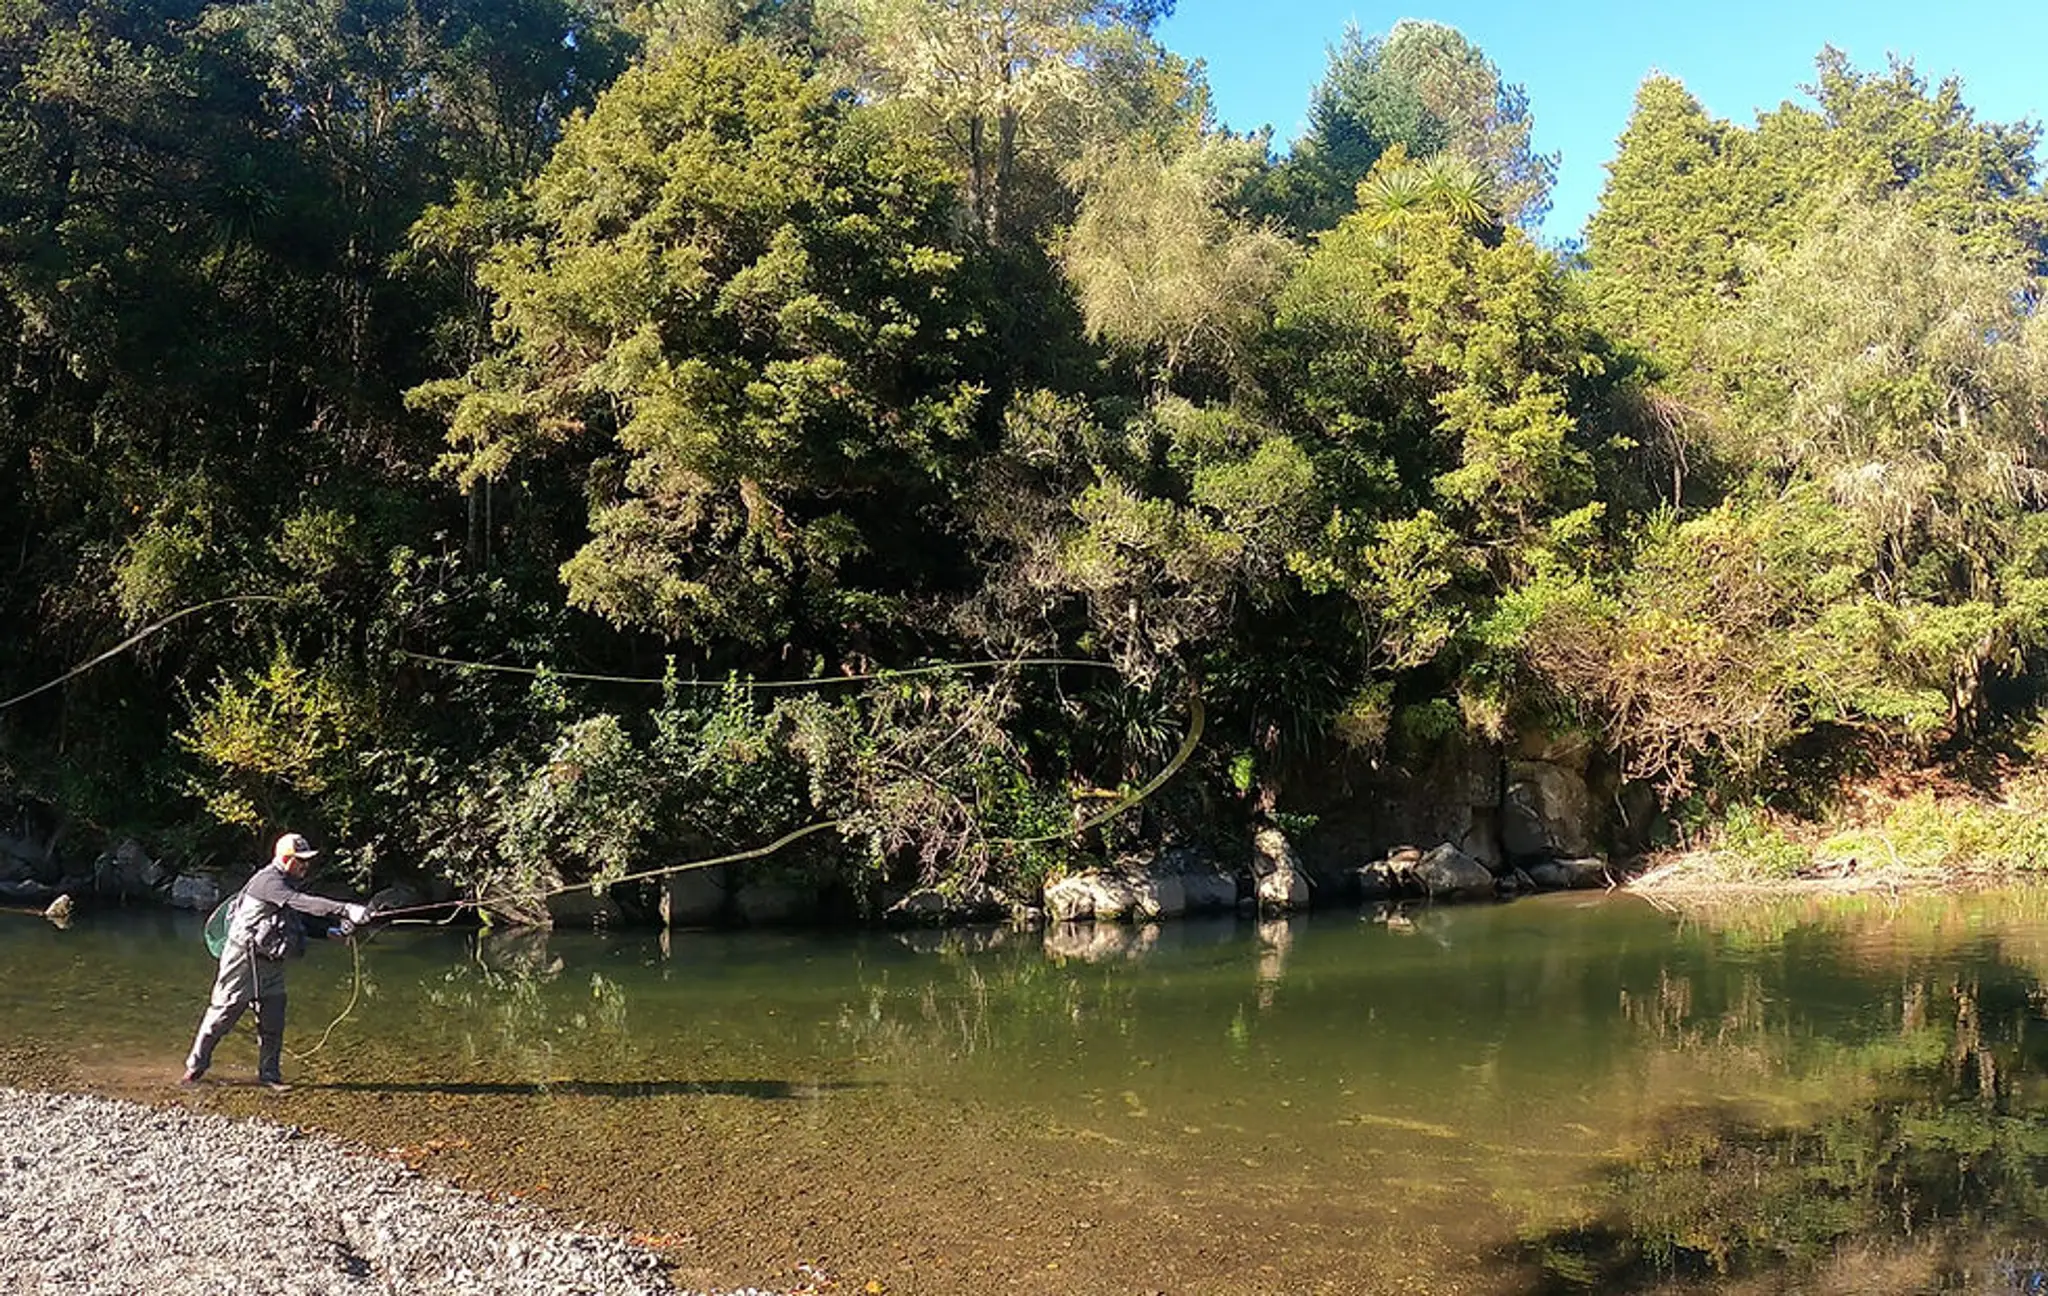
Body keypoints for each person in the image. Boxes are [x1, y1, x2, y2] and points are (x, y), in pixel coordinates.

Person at [180, 832, 370, 1092]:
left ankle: (270, 1076)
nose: (305, 865)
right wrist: (345, 909)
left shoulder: (288, 882)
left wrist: (329, 932)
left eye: (307, 860)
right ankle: (195, 1068)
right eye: (300, 860)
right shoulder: (268, 881)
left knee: (273, 1019)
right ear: (284, 858)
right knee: (222, 1015)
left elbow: (295, 919)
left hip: (270, 960)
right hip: (242, 961)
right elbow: (300, 903)